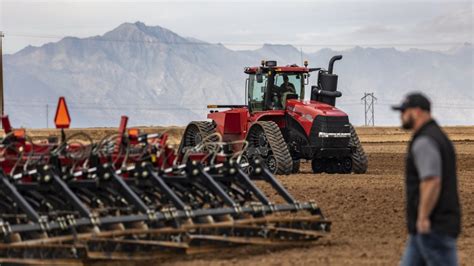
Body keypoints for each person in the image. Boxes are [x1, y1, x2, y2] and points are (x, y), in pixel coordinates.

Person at [392, 93, 461, 266]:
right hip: (424, 230)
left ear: (416, 112)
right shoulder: (438, 136)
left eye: (404, 111)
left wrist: (423, 217)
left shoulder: (425, 141)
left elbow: (431, 181)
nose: (401, 116)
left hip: (433, 227)